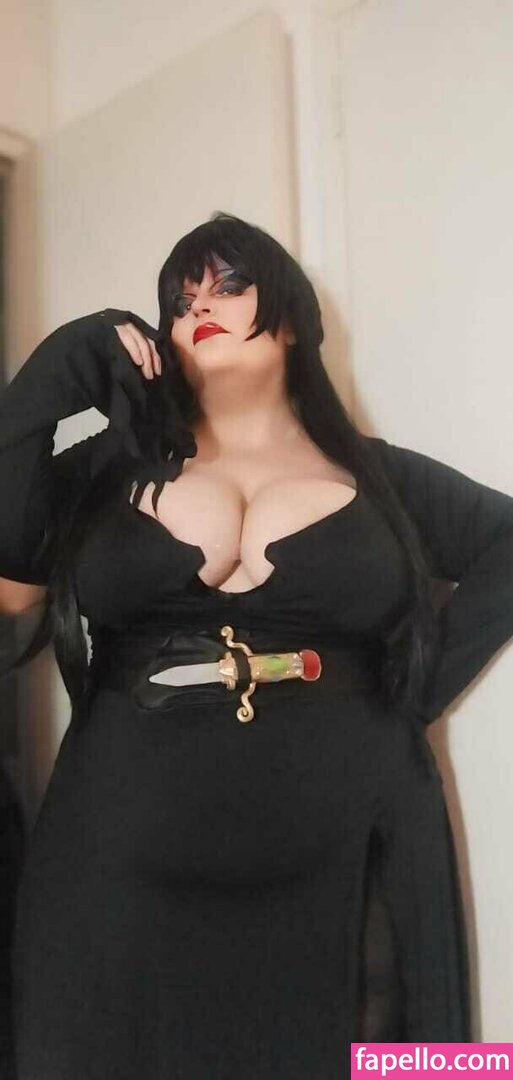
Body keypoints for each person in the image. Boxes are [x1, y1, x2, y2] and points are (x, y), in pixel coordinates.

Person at [0, 211, 511, 1078]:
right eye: (179, 300)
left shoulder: (382, 476)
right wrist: (43, 385)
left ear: (292, 320)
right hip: (123, 830)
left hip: (348, 830)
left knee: (380, 1053)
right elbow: (10, 587)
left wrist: (410, 693)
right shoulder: (104, 470)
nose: (199, 306)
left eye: (228, 286)